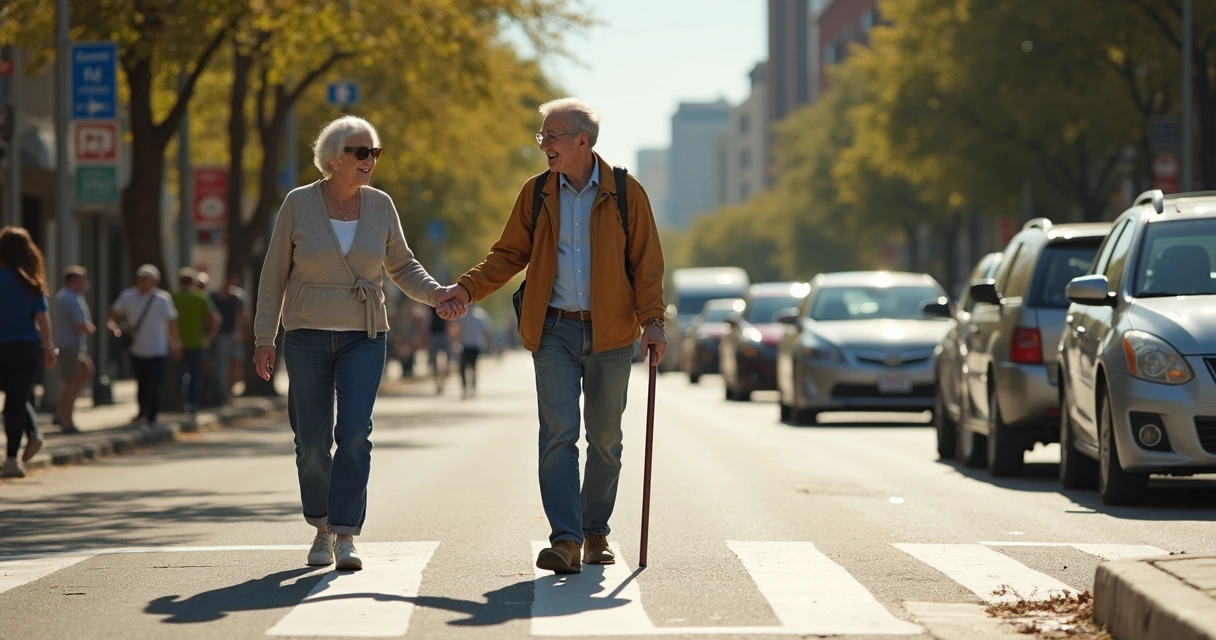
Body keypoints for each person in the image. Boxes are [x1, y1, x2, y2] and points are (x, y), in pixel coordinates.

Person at [436, 99, 668, 574]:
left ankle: (595, 531)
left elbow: (647, 263)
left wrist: (653, 321)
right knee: (558, 435)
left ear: (582, 140)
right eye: (542, 136)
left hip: (612, 334)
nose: (543, 145)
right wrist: (467, 288)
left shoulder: (626, 192)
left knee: (605, 440)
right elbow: (507, 254)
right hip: (554, 330)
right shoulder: (537, 192)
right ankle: (565, 539)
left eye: (551, 136)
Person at [252, 115, 464, 572]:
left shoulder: (381, 205)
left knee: (353, 433)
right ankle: (321, 528)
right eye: (361, 152)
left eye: (375, 152)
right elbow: (273, 275)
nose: (371, 160)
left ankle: (346, 534)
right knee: (310, 443)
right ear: (334, 159)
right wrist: (264, 337)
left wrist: (437, 294)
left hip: (364, 336)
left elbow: (402, 266)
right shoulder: (298, 203)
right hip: (306, 335)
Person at [0, 227, 56, 478]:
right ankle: (12, 459)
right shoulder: (31, 282)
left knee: (14, 400)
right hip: (25, 349)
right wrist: (48, 347)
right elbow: (43, 319)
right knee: (17, 399)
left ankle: (32, 434)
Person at [108, 264, 182, 426]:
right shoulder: (127, 296)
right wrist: (115, 330)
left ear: (154, 281)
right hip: (136, 348)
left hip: (158, 349)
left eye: (147, 279)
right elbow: (112, 316)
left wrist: (175, 343)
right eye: (141, 278)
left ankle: (152, 417)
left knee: (155, 383)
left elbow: (171, 323)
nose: (143, 282)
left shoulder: (163, 298)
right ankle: (142, 411)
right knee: (141, 382)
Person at [52, 265, 95, 433]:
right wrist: (90, 328)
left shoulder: (64, 296)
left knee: (86, 370)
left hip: (68, 344)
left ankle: (60, 413)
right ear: (74, 281)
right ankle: (66, 421)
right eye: (83, 280)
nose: (85, 283)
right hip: (71, 345)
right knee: (71, 382)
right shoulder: (72, 298)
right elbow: (80, 325)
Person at [172, 269, 220, 414]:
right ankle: (193, 404)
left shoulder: (172, 298)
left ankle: (182, 401)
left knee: (180, 375)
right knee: (195, 375)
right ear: (193, 282)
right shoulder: (201, 297)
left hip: (178, 343)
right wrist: (209, 338)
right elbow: (216, 319)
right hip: (198, 342)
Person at [210, 273, 247, 403]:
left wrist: (240, 332)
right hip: (221, 335)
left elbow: (241, 316)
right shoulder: (213, 297)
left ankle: (230, 392)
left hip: (233, 335)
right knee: (221, 365)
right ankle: (222, 393)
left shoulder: (237, 298)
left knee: (234, 363)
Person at [455, 303, 494, 398]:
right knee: (472, 367)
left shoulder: (464, 315)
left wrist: (456, 341)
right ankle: (471, 387)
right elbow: (485, 331)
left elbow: (458, 330)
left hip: (467, 345)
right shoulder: (481, 315)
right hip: (473, 345)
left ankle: (466, 387)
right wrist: (489, 344)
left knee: (464, 367)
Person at [425, 306, 454, 394]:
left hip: (443, 334)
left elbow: (450, 321)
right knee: (433, 360)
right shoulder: (430, 306)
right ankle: (437, 382)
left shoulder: (446, 303)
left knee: (446, 360)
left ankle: (442, 381)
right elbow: (426, 319)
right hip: (433, 334)